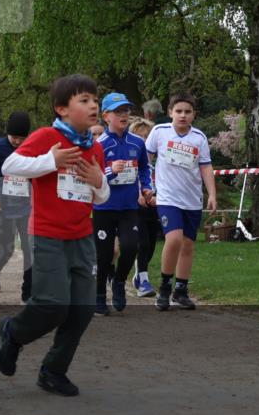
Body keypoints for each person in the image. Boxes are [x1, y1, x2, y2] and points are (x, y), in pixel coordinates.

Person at [0, 74, 109, 397]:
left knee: (83, 309)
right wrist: (50, 161)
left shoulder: (95, 148)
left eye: (95, 100)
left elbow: (102, 197)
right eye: (83, 100)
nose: (93, 106)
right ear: (61, 108)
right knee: (54, 304)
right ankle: (13, 332)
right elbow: (10, 165)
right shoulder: (48, 137)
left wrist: (99, 180)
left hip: (81, 237)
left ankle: (53, 370)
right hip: (47, 235)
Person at [144, 93, 217, 311]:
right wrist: (146, 186)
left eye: (187, 112)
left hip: (192, 199)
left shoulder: (199, 138)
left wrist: (211, 193)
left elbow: (205, 167)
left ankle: (181, 290)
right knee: (173, 239)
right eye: (179, 111)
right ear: (170, 113)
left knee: (187, 245)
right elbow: (144, 159)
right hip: (167, 197)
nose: (183, 116)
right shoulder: (159, 132)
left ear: (194, 115)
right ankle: (164, 288)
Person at [92, 93, 153, 315]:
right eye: (118, 111)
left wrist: (146, 186)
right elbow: (92, 175)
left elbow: (145, 168)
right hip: (104, 207)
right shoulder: (98, 145)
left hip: (128, 207)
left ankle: (118, 282)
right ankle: (99, 295)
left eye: (126, 110)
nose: (124, 115)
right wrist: (109, 171)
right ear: (106, 116)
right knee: (104, 255)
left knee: (130, 246)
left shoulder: (137, 142)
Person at [0, 110, 34, 302]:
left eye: (22, 138)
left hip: (25, 207)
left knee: (30, 250)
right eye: (14, 137)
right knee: (5, 249)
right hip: (2, 207)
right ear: (7, 133)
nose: (17, 142)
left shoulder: (32, 149)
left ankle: (27, 291)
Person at [128, 116, 160, 297]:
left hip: (154, 207)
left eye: (147, 137)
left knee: (151, 247)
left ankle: (139, 273)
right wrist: (139, 194)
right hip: (135, 206)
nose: (144, 142)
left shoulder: (157, 162)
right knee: (143, 243)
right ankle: (143, 280)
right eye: (140, 137)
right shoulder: (130, 161)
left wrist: (157, 197)